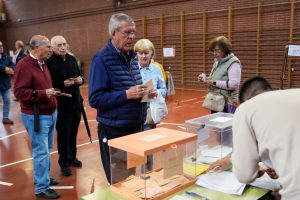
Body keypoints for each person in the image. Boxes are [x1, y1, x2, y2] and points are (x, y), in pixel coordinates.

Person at [88, 13, 147, 183]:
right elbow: (95, 99)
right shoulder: (101, 59)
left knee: (130, 179)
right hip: (115, 131)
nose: (132, 37)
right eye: (127, 33)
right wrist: (127, 94)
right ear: (114, 33)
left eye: (134, 33)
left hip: (134, 128)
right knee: (119, 181)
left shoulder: (132, 57)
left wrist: (144, 93)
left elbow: (131, 87)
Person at [14, 35, 61, 199]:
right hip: (36, 116)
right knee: (41, 152)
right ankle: (41, 187)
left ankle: (43, 178)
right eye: (47, 46)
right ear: (36, 48)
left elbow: (42, 88)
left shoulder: (43, 64)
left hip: (49, 113)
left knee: (46, 150)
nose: (50, 49)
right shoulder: (23, 65)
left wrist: (51, 93)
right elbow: (19, 92)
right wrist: (43, 93)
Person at [46, 35, 83, 177]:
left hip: (76, 103)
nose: (62, 47)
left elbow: (80, 76)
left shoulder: (72, 59)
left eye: (64, 44)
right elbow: (49, 86)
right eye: (59, 45)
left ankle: (72, 157)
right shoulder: (50, 64)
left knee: (73, 133)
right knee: (63, 134)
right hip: (61, 105)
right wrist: (62, 84)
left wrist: (80, 80)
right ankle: (64, 162)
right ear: (53, 48)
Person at [198, 36, 242, 113]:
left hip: (227, 102)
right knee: (215, 123)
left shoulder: (233, 62)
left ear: (225, 49)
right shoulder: (217, 61)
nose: (214, 53)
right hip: (216, 99)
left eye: (217, 50)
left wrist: (213, 82)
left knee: (225, 124)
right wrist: (206, 79)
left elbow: (234, 84)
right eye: (213, 51)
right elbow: (218, 78)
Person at [134, 38, 166, 130]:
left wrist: (156, 92)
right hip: (134, 112)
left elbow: (164, 90)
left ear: (152, 53)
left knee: (148, 139)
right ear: (136, 54)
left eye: (146, 53)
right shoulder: (131, 69)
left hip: (150, 111)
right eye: (140, 53)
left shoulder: (157, 69)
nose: (143, 56)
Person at [0, 41, 15, 124]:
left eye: (2, 45)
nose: (1, 47)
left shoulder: (6, 56)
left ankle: (5, 117)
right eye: (0, 46)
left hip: (5, 84)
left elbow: (12, 64)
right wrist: (4, 68)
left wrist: (11, 69)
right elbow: (3, 67)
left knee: (7, 100)